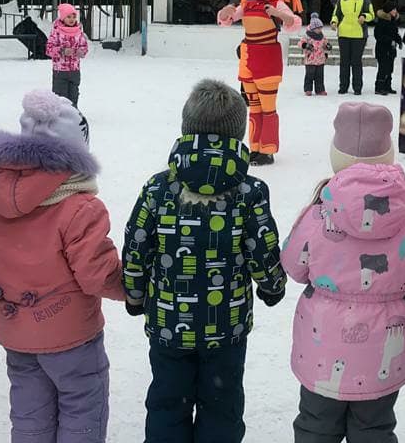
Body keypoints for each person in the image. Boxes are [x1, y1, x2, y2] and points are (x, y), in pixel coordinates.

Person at [121, 79, 287, 443]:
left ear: (186, 128)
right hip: (225, 327)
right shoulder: (249, 192)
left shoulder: (158, 187)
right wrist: (272, 285)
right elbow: (263, 247)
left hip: (168, 324)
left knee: (167, 403)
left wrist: (134, 294)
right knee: (221, 405)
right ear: (238, 132)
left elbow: (136, 244)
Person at [0, 90, 124, 443]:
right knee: (82, 407)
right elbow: (96, 271)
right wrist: (131, 288)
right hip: (72, 338)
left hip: (16, 332)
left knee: (29, 411)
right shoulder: (80, 207)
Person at [282, 163, 405, 443]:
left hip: (322, 349)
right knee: (373, 428)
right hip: (381, 354)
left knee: (316, 425)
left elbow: (293, 265)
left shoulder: (318, 216)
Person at [217, 0, 304, 166]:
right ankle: (255, 148)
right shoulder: (247, 5)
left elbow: (295, 23)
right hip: (248, 61)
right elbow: (226, 21)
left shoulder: (276, 3)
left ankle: (268, 149)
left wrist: (278, 14)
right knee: (254, 106)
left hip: (267, 61)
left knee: (268, 107)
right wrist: (224, 12)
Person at [331, 0, 375, 95]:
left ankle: (357, 87)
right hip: (343, 34)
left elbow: (372, 14)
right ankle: (343, 86)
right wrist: (334, 22)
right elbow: (336, 13)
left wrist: (364, 17)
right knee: (344, 62)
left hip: (359, 35)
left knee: (356, 62)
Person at [46, 3, 89, 107]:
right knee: (60, 95)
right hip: (60, 71)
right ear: (62, 18)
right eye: (68, 17)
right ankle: (60, 115)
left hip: (74, 70)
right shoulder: (56, 32)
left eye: (74, 17)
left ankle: (73, 114)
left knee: (73, 94)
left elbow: (84, 46)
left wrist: (81, 51)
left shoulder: (79, 32)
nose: (72, 19)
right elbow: (48, 49)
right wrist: (61, 51)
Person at [373, 0, 404, 95]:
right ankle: (379, 87)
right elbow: (378, 35)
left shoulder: (393, 22)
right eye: (393, 9)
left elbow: (395, 33)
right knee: (383, 68)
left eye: (395, 9)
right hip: (382, 49)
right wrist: (389, 41)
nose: (395, 11)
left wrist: (399, 41)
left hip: (391, 50)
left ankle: (387, 85)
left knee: (390, 68)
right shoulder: (381, 21)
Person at [301, 13, 331, 96]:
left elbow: (325, 43)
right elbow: (301, 43)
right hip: (310, 60)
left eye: (321, 28)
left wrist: (328, 46)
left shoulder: (322, 36)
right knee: (309, 75)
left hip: (320, 60)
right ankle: (308, 89)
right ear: (313, 28)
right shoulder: (307, 36)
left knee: (319, 76)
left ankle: (320, 90)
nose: (320, 30)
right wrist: (306, 45)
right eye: (318, 28)